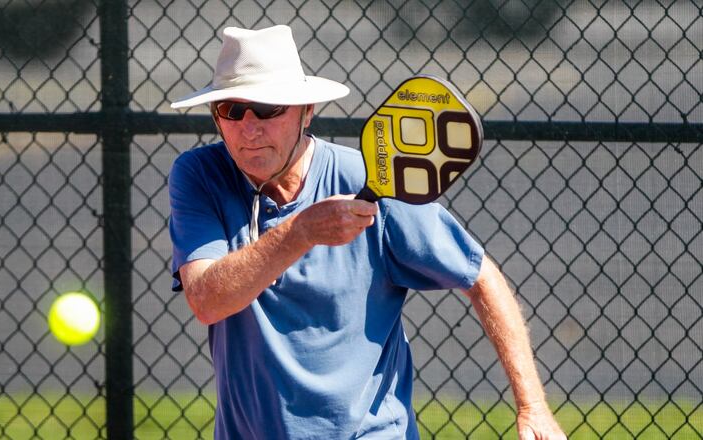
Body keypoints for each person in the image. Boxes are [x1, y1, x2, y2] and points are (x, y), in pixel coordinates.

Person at [168, 25, 566, 440]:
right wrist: (300, 232)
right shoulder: (200, 176)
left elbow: (480, 276)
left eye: (267, 108)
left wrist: (533, 407)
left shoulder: (371, 180)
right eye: (232, 110)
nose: (248, 128)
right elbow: (207, 301)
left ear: (307, 111)